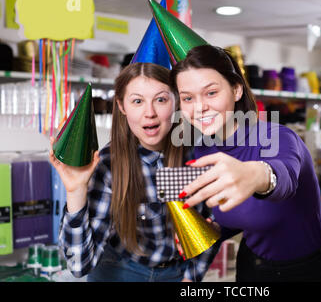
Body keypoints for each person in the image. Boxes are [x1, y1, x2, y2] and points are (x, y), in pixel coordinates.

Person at [170, 45, 321, 282]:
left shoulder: (277, 137)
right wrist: (213, 231)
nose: (199, 107)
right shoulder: (201, 152)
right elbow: (243, 214)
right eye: (188, 98)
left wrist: (257, 174)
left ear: (236, 89)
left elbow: (285, 176)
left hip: (306, 270)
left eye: (211, 93)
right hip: (252, 268)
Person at [50, 62, 217, 282]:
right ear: (121, 106)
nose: (150, 113)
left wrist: (191, 277)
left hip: (178, 273)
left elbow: (211, 225)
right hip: (119, 271)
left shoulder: (199, 154)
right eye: (137, 101)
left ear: (176, 101)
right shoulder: (108, 164)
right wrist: (76, 191)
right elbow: (80, 265)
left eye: (161, 99)